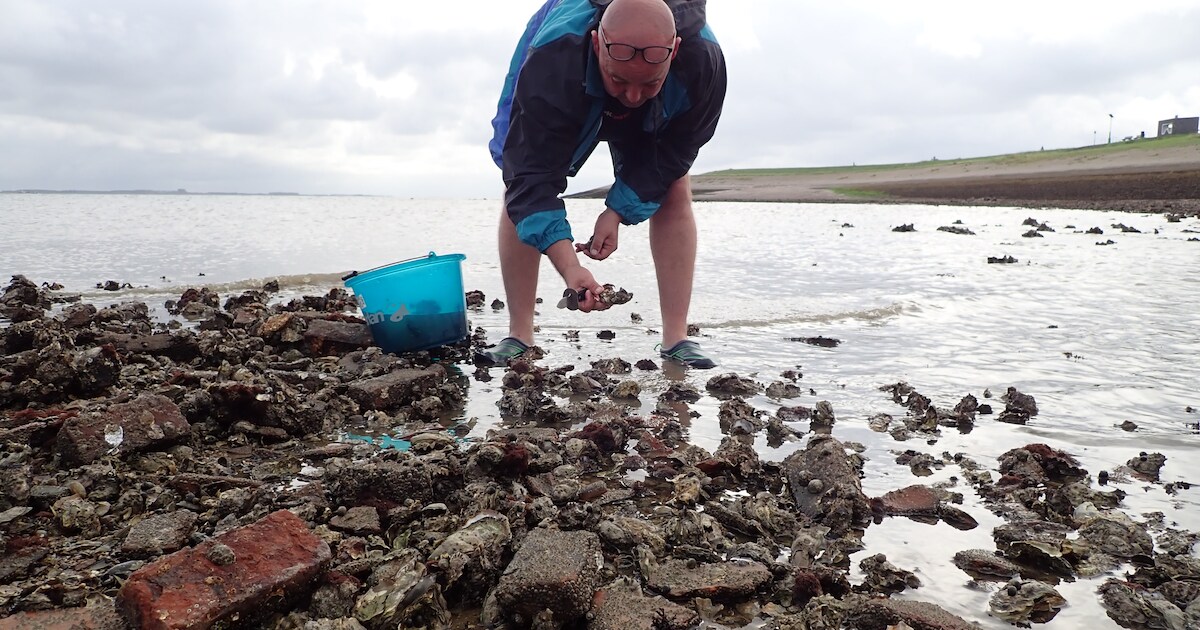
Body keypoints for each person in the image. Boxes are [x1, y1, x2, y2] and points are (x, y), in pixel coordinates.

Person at [478, 0, 726, 368]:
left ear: (674, 51)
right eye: (620, 81)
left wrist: (617, 211)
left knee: (674, 185)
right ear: (597, 43)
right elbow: (530, 178)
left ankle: (676, 337)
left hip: (663, 87)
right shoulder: (553, 57)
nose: (632, 97)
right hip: (569, 69)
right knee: (517, 180)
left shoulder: (702, 60)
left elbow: (675, 151)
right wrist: (570, 267)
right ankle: (519, 334)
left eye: (649, 83)